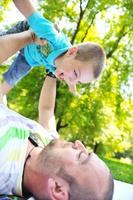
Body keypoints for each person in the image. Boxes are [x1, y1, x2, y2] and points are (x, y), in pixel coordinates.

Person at [0, 74, 114, 200]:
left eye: (81, 156)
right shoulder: (47, 143)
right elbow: (47, 109)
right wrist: (52, 72)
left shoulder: (3, 167)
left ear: (57, 188)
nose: (78, 143)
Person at [0, 0, 106, 95]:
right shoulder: (52, 37)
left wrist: (72, 85)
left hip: (29, 58)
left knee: (13, 77)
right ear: (71, 52)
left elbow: (71, 78)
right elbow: (30, 12)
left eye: (78, 82)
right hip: (26, 32)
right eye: (75, 73)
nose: (71, 80)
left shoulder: (61, 68)